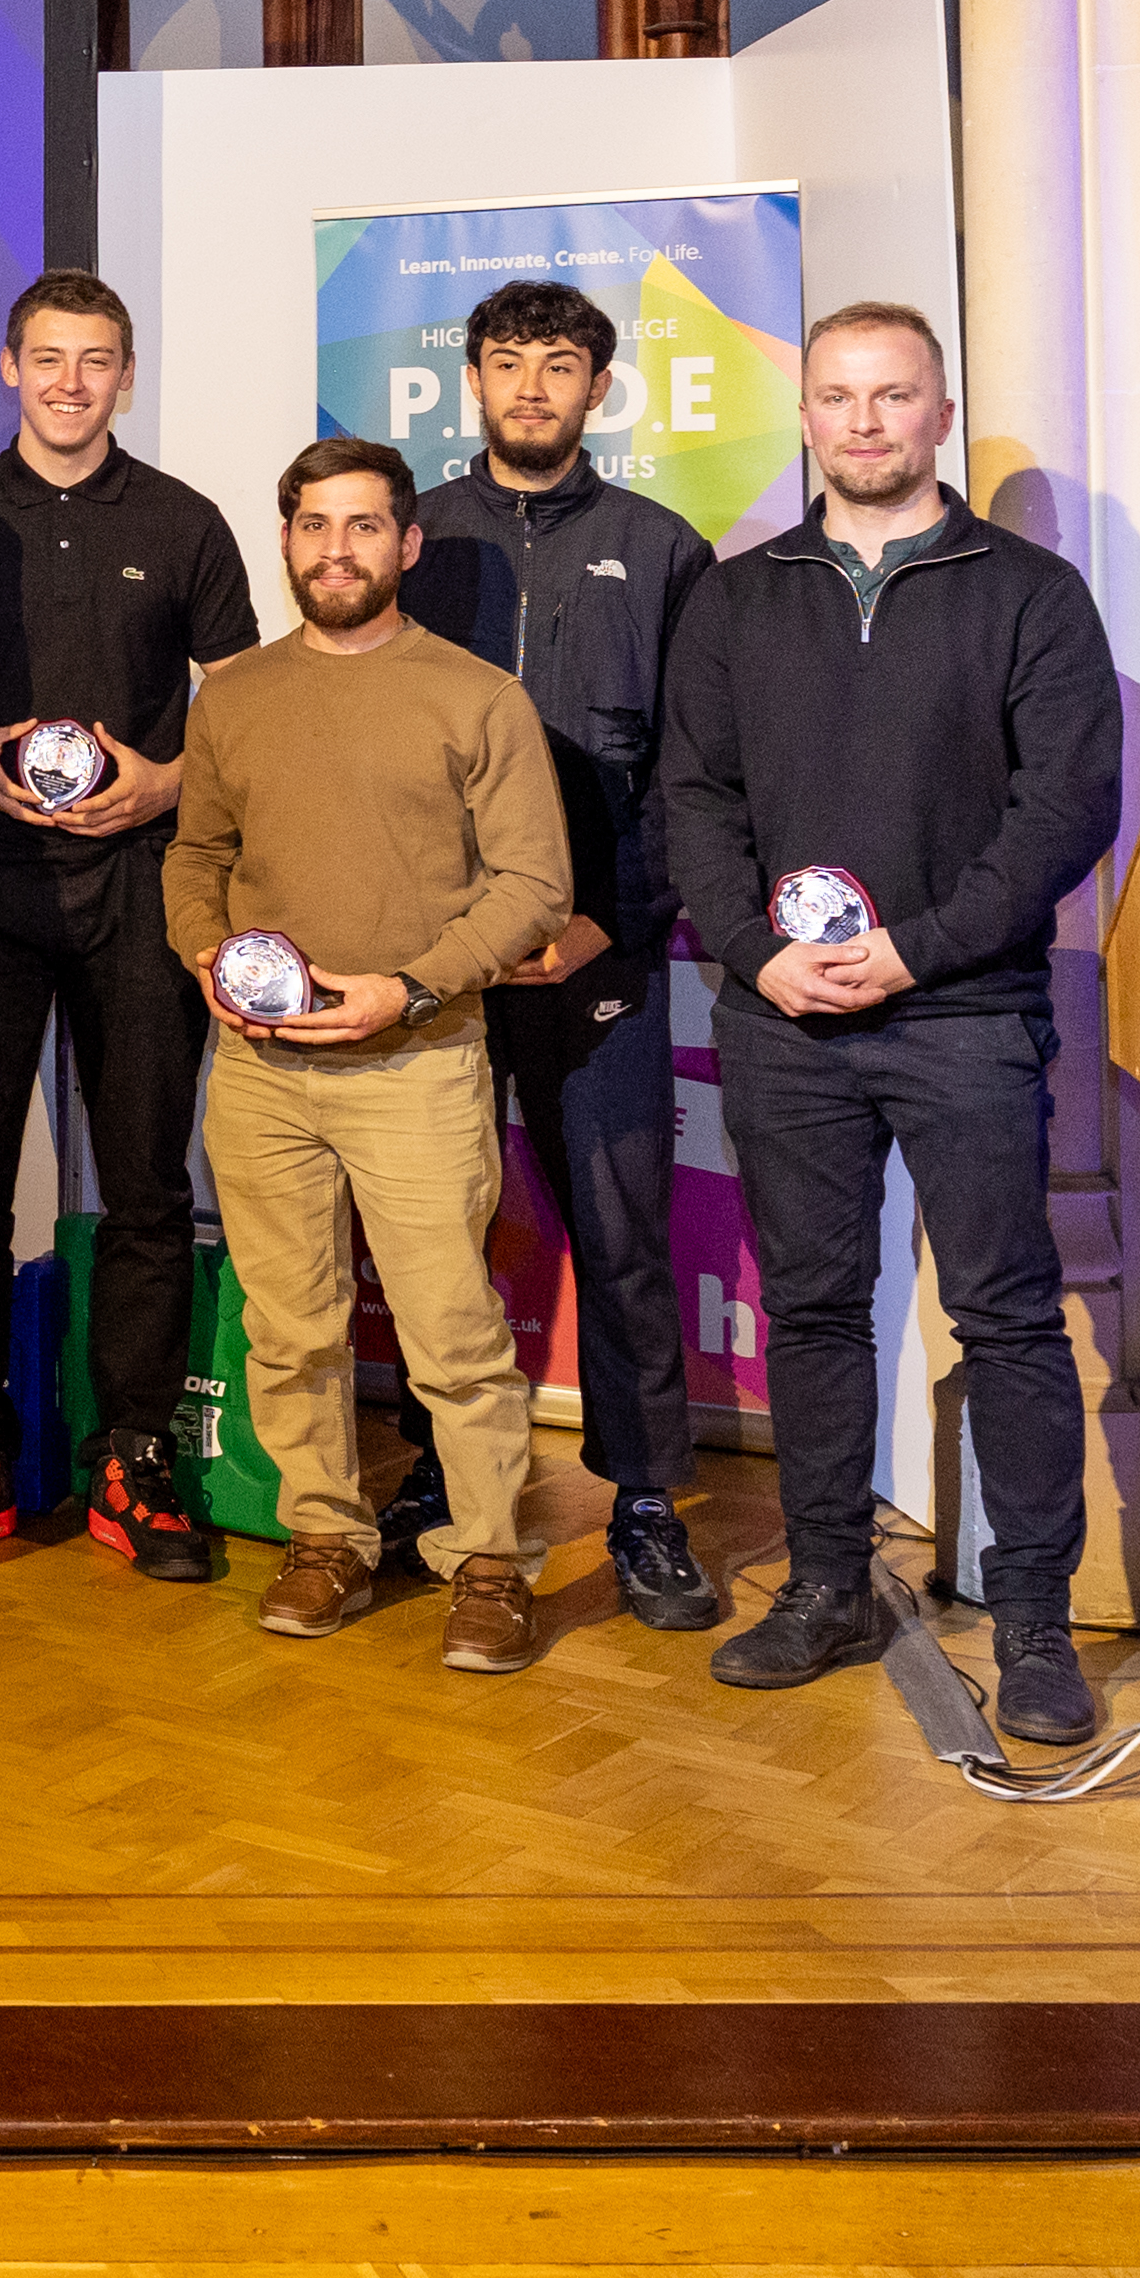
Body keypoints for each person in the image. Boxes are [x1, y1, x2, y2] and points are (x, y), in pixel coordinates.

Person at [663, 303, 1121, 1741]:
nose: (862, 422)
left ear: (936, 411)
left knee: (1000, 1312)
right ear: (801, 415)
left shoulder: (1028, 592)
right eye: (835, 396)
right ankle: (823, 1584)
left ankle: (1032, 1618)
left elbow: (1063, 809)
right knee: (806, 1306)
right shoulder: (734, 600)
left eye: (891, 396)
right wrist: (752, 952)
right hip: (780, 1018)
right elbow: (690, 797)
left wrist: (910, 953)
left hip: (966, 1012)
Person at [163, 438, 571, 1673]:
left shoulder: (474, 697)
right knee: (289, 1331)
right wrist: (205, 961)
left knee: (452, 1332)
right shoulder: (231, 696)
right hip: (261, 1074)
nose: (333, 549)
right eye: (310, 525)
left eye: (360, 527)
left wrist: (405, 989)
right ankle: (323, 1536)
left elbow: (533, 887)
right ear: (282, 540)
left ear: (403, 546)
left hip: (419, 1063)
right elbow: (194, 859)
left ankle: (489, 1558)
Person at [0, 273, 258, 1576]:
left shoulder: (181, 521)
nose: (67, 381)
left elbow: (234, 706)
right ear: (5, 366)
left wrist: (160, 783)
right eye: (45, 358)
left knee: (146, 1184)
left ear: (123, 372)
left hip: (134, 891)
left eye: (92, 359)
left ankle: (133, 1450)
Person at [396, 280, 722, 1626]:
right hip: (438, 965)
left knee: (620, 1231)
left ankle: (641, 1501)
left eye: (558, 363)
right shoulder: (410, 534)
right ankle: (439, 1474)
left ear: (597, 388)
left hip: (601, 956)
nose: (530, 383)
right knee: (431, 1232)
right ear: (468, 379)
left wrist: (607, 917)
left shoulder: (660, 548)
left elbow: (695, 771)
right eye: (505, 361)